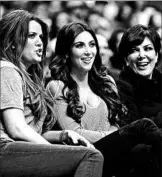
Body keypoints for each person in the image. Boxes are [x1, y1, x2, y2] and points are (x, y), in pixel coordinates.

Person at [47, 22, 162, 177]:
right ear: (67, 52)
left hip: (113, 151)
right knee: (143, 126)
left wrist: (117, 134)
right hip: (86, 152)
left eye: (92, 45)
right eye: (80, 46)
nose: (89, 51)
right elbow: (75, 133)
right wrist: (114, 135)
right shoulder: (57, 86)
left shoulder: (105, 82)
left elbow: (117, 122)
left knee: (144, 151)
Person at [0, 10, 104, 177]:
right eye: (32, 36)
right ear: (12, 41)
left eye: (41, 37)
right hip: (4, 150)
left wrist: (64, 135)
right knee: (91, 156)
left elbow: (33, 131)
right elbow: (17, 128)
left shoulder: (30, 78)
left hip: (16, 150)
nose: (40, 43)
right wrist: (52, 150)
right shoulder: (6, 70)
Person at [118, 24, 162, 129]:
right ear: (126, 59)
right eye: (134, 50)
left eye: (148, 48)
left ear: (156, 55)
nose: (141, 55)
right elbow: (135, 129)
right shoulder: (121, 89)